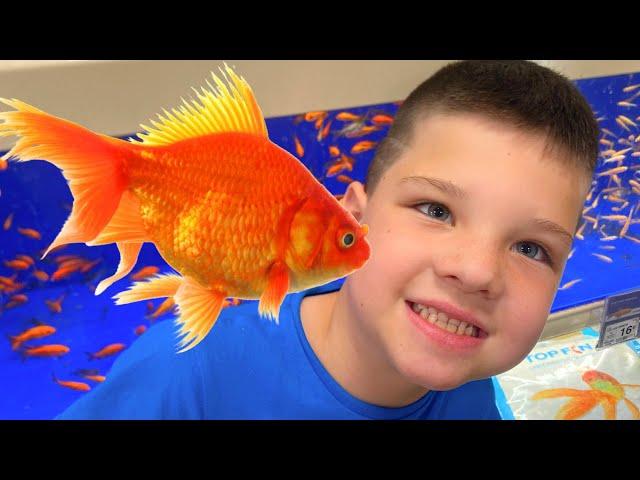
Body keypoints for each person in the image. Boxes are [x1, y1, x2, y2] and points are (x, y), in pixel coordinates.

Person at [57, 60, 598, 419]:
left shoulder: (472, 391)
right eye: (435, 209)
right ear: (355, 215)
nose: (477, 270)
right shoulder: (189, 369)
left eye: (531, 248)